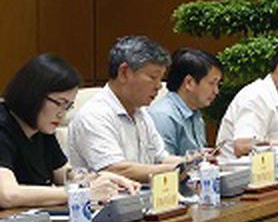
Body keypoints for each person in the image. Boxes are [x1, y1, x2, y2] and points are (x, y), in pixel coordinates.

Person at [0, 54, 138, 208]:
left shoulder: (41, 129)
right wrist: (84, 192)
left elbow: (65, 175)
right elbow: (8, 195)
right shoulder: (4, 125)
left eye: (68, 106)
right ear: (32, 95)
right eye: (59, 103)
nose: (62, 114)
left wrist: (101, 179)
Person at [66, 35, 193, 183]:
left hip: (144, 195)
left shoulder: (140, 113)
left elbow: (161, 158)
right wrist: (178, 169)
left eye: (160, 79)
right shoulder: (94, 115)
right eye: (153, 77)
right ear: (124, 73)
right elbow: (116, 169)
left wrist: (194, 163)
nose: (159, 86)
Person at [147, 48, 222, 157]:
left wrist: (203, 156)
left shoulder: (195, 113)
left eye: (218, 84)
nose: (216, 91)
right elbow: (162, 163)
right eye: (212, 83)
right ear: (189, 82)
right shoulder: (164, 116)